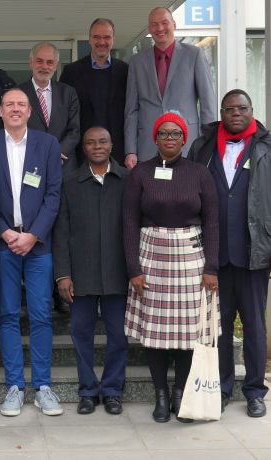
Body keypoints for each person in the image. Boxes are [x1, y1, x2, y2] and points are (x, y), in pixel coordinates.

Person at [123, 111, 219, 423]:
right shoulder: (140, 174)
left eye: (175, 134)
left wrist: (212, 267)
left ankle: (180, 393)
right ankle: (161, 395)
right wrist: (133, 268)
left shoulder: (199, 173)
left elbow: (212, 222)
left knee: (186, 332)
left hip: (191, 260)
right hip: (151, 258)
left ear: (184, 138)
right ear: (155, 138)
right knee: (155, 333)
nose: (169, 139)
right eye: (163, 134)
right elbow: (128, 223)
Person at [0, 88, 63, 417]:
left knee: (41, 315)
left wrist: (34, 235)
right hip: (3, 243)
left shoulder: (47, 144)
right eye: (9, 104)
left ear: (29, 112)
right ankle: (15, 386)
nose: (15, 108)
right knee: (9, 315)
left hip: (38, 246)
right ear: (0, 110)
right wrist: (5, 231)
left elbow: (54, 194)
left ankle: (42, 386)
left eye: (21, 104)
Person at [188, 89, 271, 418]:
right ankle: (220, 387)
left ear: (252, 111)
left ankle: (254, 390)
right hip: (214, 257)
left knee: (253, 326)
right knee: (217, 328)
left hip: (253, 255)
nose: (236, 113)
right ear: (221, 113)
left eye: (242, 108)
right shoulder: (203, 147)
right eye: (229, 109)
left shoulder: (266, 148)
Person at [52, 127, 129, 415]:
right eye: (90, 142)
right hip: (80, 274)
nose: (97, 146)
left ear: (112, 145)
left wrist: (135, 271)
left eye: (103, 141)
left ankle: (112, 390)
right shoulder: (70, 183)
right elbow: (61, 232)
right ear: (83, 148)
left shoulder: (127, 181)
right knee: (80, 333)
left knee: (118, 336)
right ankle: (87, 390)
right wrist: (62, 274)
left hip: (118, 273)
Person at [124, 7, 216, 168]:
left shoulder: (194, 55)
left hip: (187, 145)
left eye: (164, 23)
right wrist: (130, 150)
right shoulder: (137, 62)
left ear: (174, 24)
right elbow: (131, 110)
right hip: (148, 146)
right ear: (149, 29)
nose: (159, 28)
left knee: (186, 191)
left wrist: (208, 144)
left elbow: (208, 103)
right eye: (154, 24)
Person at [60, 18, 128, 166]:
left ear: (113, 40)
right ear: (89, 40)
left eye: (106, 37)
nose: (101, 42)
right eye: (96, 37)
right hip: (81, 153)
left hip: (118, 153)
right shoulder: (71, 72)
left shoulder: (126, 71)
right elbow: (63, 114)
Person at [19, 42, 80, 169]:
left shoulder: (68, 92)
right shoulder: (17, 94)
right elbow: (14, 129)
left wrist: (57, 153)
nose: (44, 66)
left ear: (56, 65)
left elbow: (74, 130)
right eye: (39, 61)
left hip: (63, 163)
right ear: (31, 63)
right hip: (30, 161)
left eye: (50, 62)